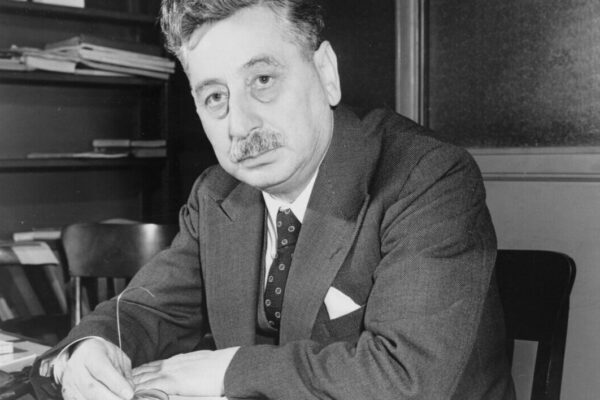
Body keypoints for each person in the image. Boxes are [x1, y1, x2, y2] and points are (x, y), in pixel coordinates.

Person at [48, 1, 515, 399]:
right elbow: (147, 309)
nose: (240, 125)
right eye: (215, 97)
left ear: (326, 73)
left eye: (263, 79)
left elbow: (408, 379)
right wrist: (92, 346)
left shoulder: (427, 178)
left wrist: (227, 371)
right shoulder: (217, 194)